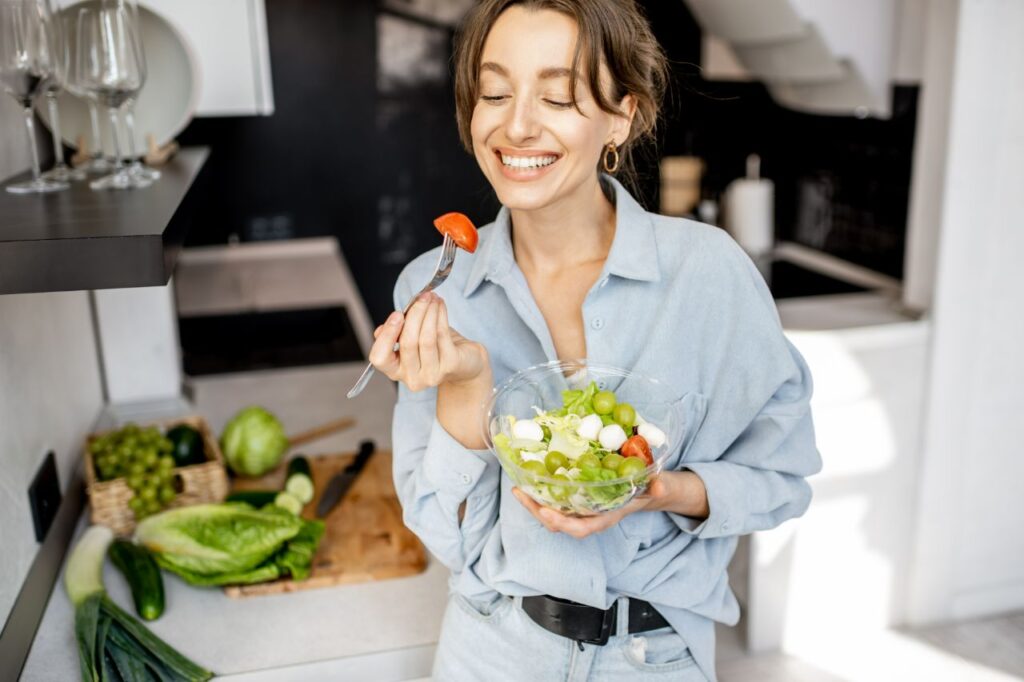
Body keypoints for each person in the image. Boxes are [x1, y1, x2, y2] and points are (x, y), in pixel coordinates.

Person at [367, 1, 821, 680]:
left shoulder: (708, 273)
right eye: (495, 93)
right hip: (491, 653)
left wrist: (665, 491)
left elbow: (782, 478)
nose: (516, 124)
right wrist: (466, 389)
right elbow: (445, 537)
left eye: (557, 96)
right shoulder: (438, 288)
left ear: (622, 116)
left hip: (656, 659)